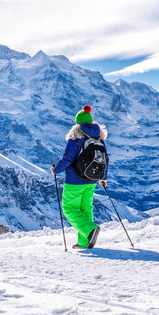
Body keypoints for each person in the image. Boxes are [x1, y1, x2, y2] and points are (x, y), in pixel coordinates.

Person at [51, 105, 108, 249]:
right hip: (92, 180)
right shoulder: (98, 137)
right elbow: (104, 158)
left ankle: (90, 230)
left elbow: (67, 159)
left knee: (69, 209)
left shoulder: (75, 137)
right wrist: (103, 177)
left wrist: (56, 170)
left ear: (78, 122)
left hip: (75, 180)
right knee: (85, 209)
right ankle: (84, 242)